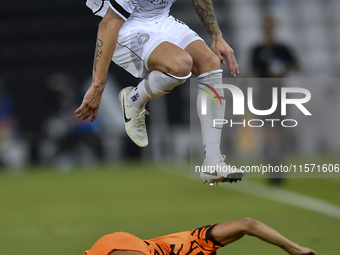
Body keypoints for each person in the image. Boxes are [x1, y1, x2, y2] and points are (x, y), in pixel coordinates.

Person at [75, 0, 243, 184]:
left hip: (162, 19)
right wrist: (97, 86)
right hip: (127, 24)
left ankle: (213, 160)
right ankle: (135, 100)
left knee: (210, 62)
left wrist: (217, 37)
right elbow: (108, 25)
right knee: (181, 65)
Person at [84, 218, 317, 255]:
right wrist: (294, 248)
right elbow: (248, 225)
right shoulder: (201, 242)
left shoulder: (198, 240)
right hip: (130, 247)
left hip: (123, 246)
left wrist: (294, 249)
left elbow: (248, 224)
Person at [249, 16, 299, 185]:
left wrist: (283, 67)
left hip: (281, 93)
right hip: (264, 94)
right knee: (269, 132)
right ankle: (273, 170)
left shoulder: (283, 49)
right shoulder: (256, 50)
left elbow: (297, 67)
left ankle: (278, 168)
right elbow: (250, 71)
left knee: (280, 133)